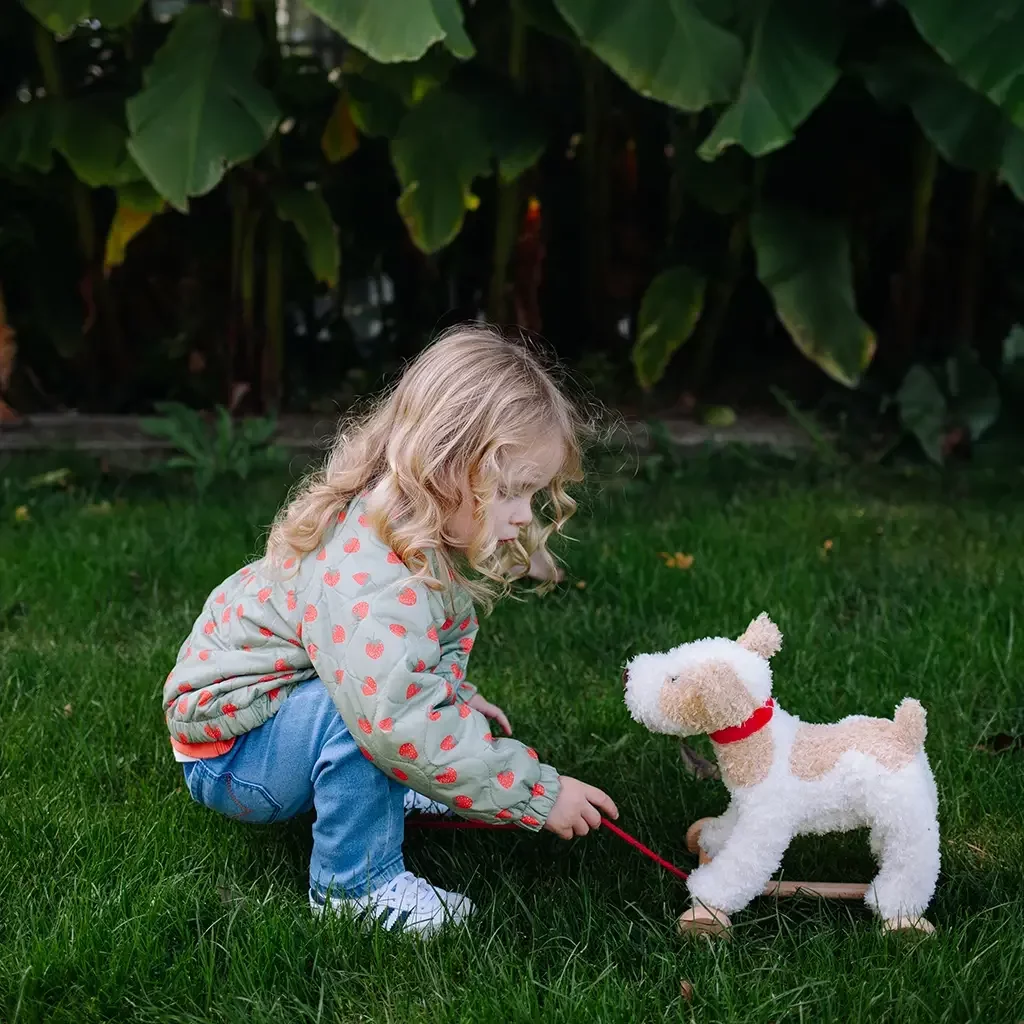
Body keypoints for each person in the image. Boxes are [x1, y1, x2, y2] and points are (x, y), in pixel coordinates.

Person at [162, 325, 619, 937]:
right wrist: (537, 792)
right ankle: (355, 887)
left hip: (267, 719)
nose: (522, 515)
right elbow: (395, 715)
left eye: (533, 494)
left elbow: (414, 659)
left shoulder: (412, 529)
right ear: (445, 468)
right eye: (510, 492)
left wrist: (452, 699)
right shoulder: (370, 578)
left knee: (389, 714)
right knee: (378, 722)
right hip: (233, 752)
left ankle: (384, 788)